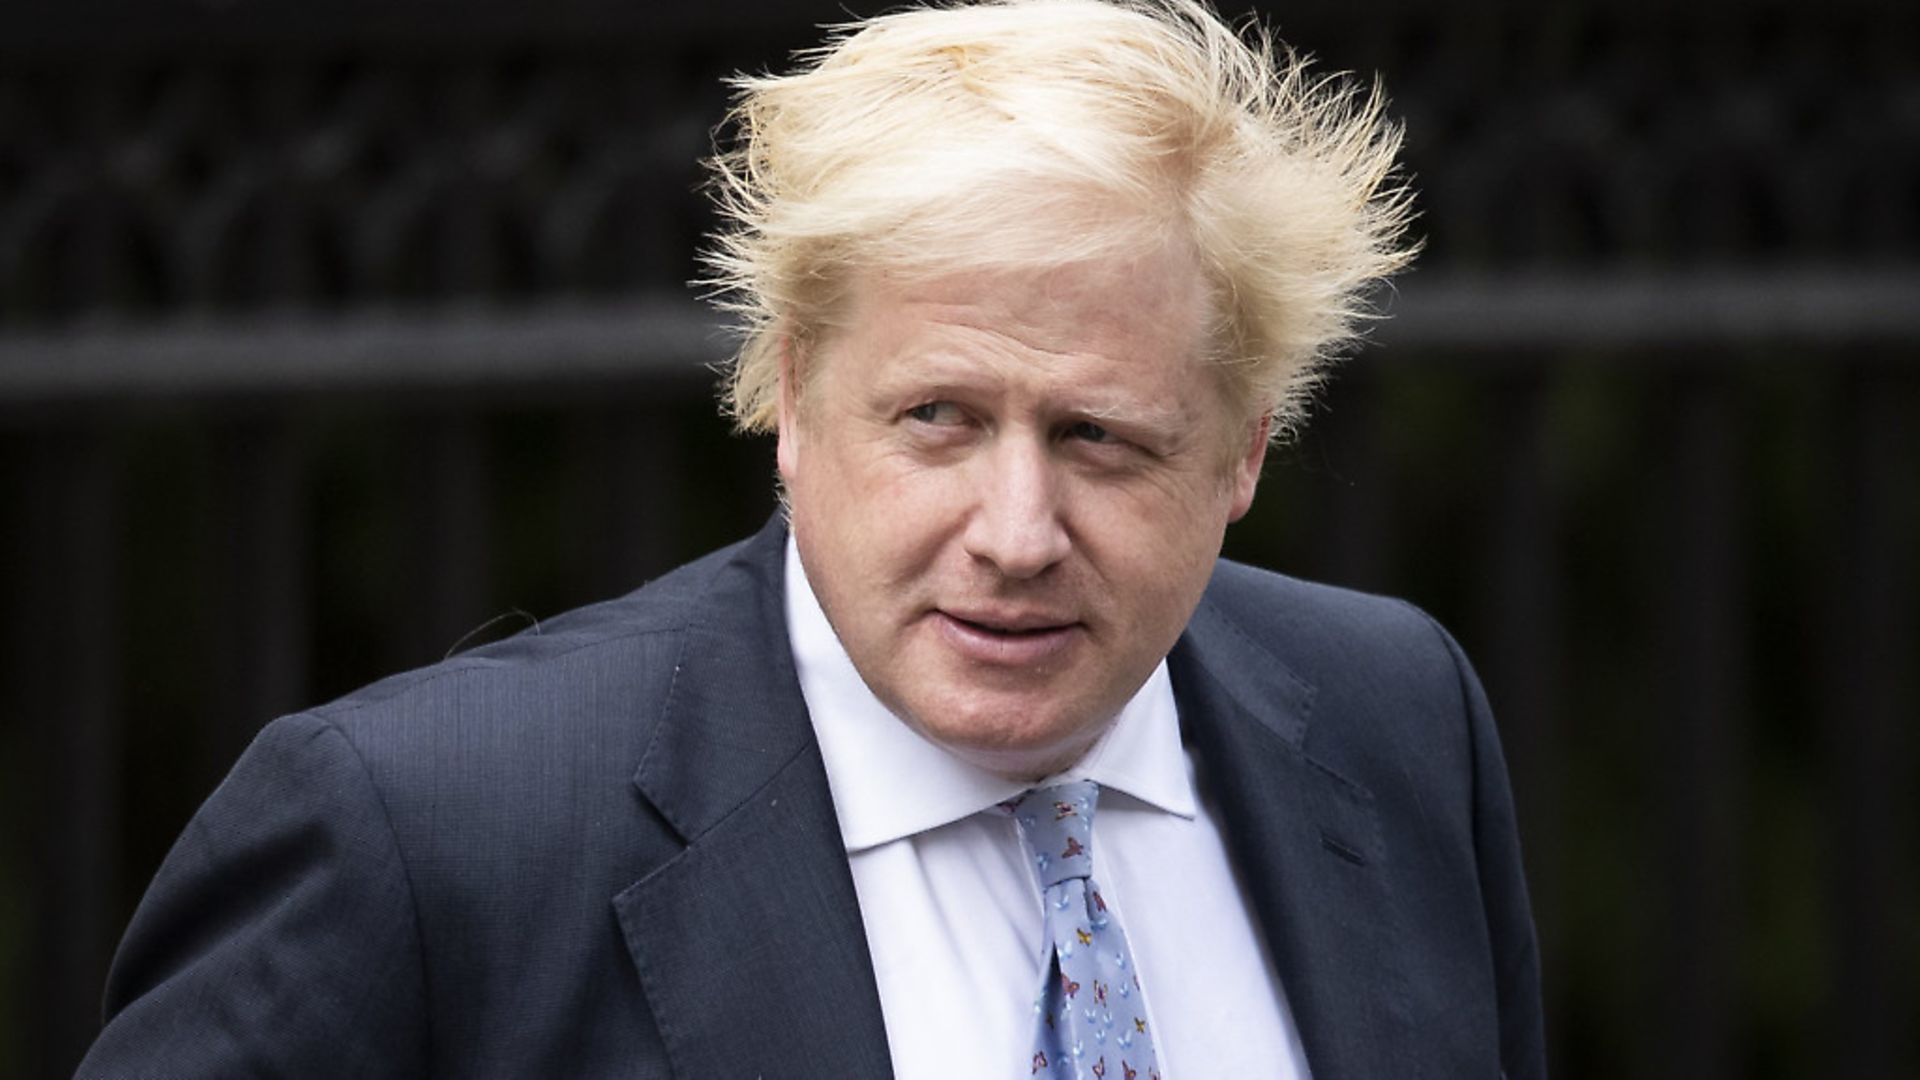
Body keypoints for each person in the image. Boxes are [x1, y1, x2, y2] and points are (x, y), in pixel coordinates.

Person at [81, 1, 1545, 1077]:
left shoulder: (1392, 714)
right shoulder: (427, 838)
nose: (1016, 533)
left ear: (1242, 453)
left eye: (1101, 438)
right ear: (785, 396)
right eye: (936, 418)